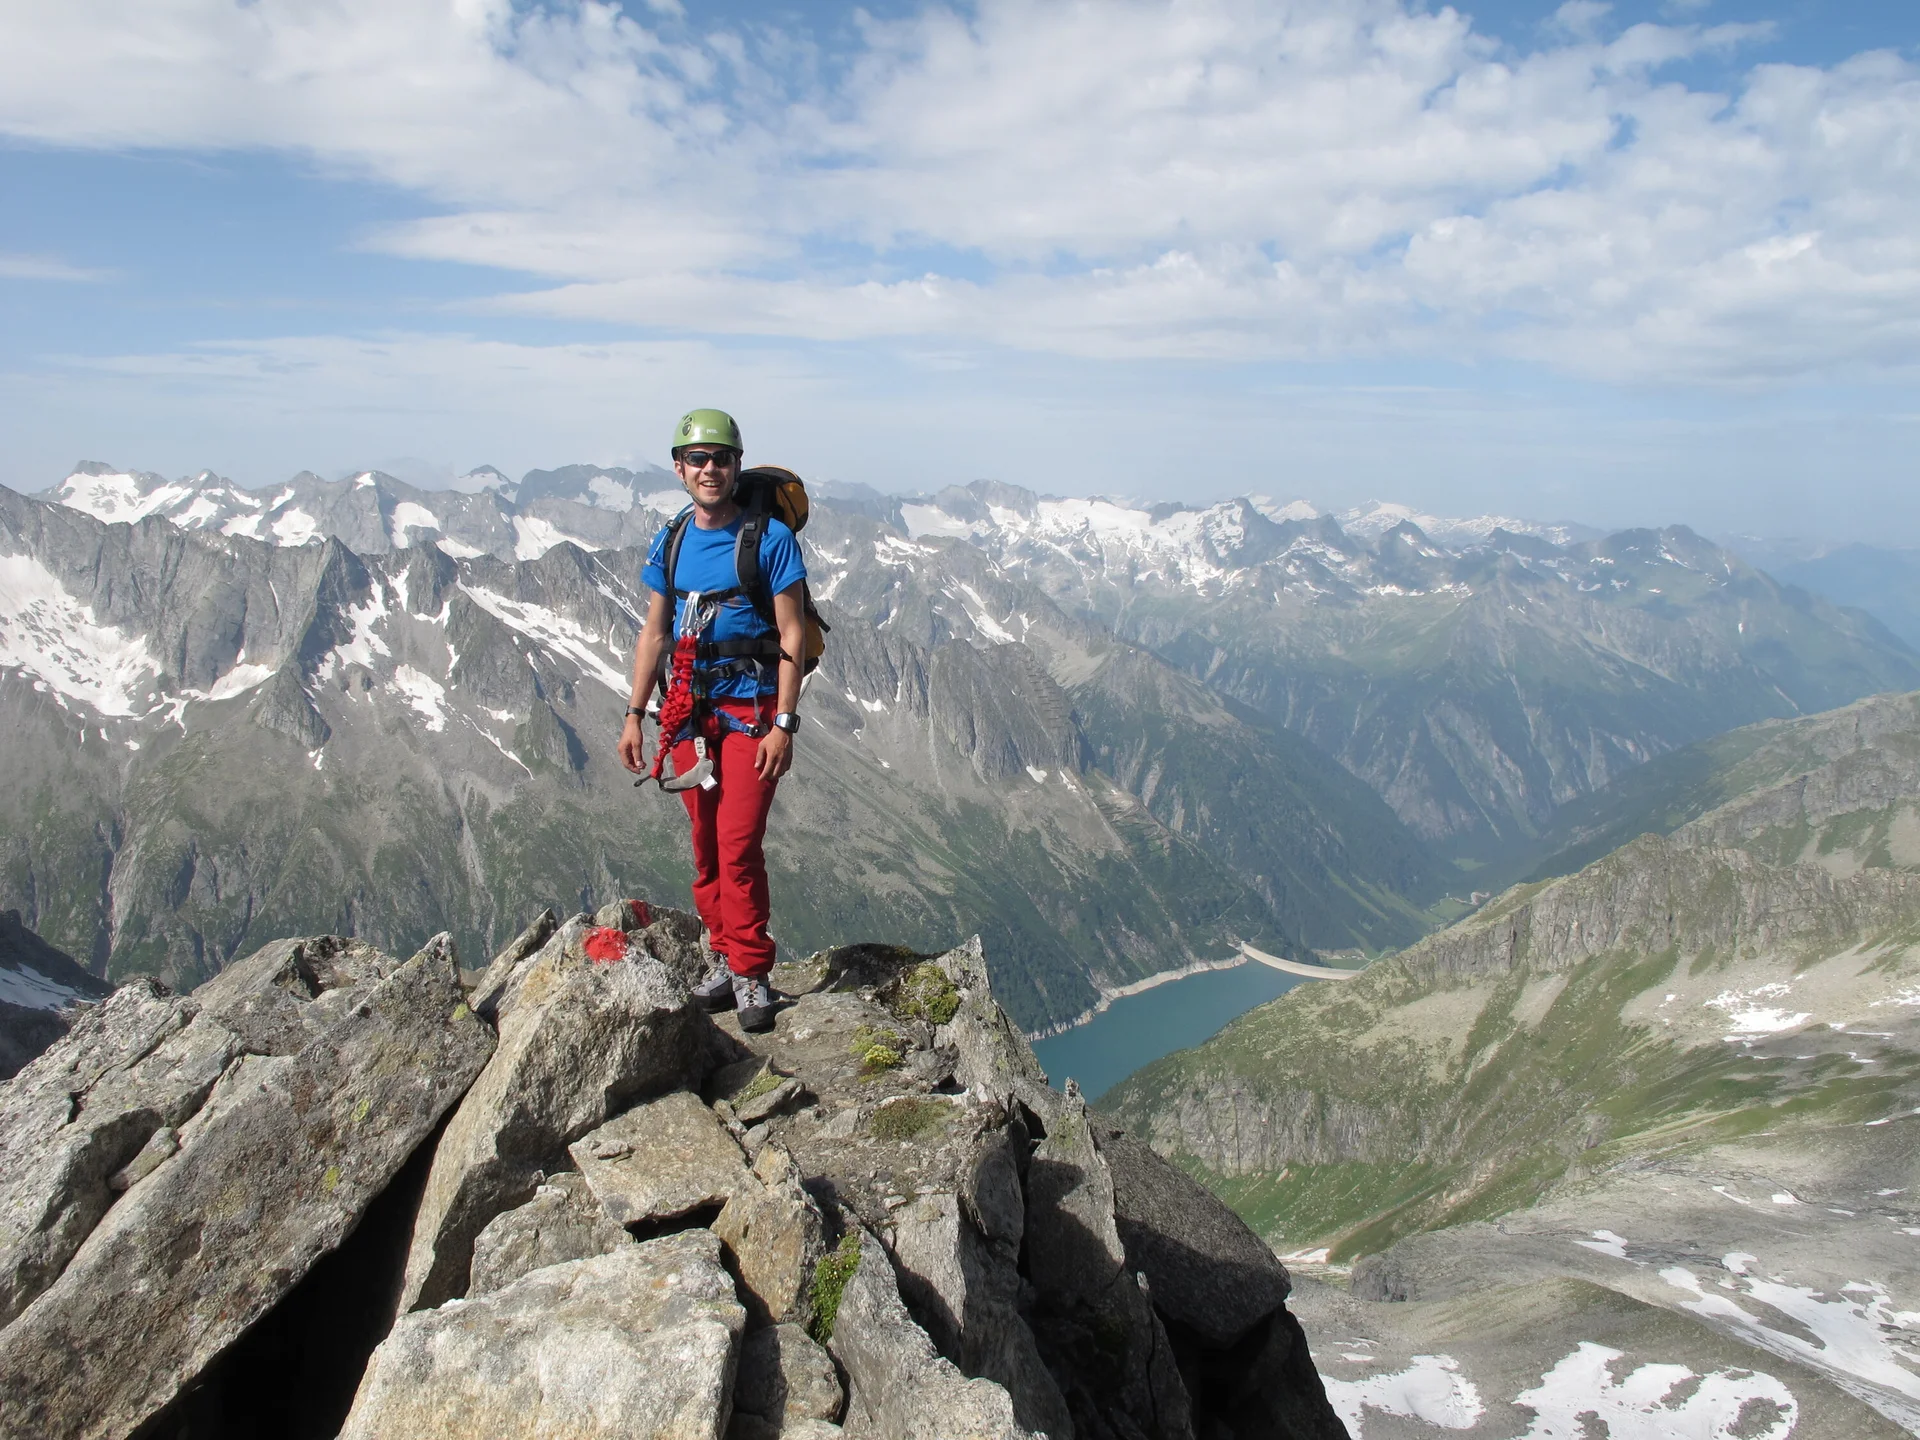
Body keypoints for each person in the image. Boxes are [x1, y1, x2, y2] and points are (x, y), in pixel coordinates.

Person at [617, 409, 807, 1033]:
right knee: (705, 849)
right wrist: (634, 715)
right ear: (679, 467)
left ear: (736, 465)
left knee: (738, 844)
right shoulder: (670, 540)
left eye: (720, 458)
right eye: (697, 459)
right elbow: (653, 633)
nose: (709, 469)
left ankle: (752, 972)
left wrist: (784, 723)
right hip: (688, 716)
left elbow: (791, 632)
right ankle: (724, 958)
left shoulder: (769, 540)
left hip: (750, 716)